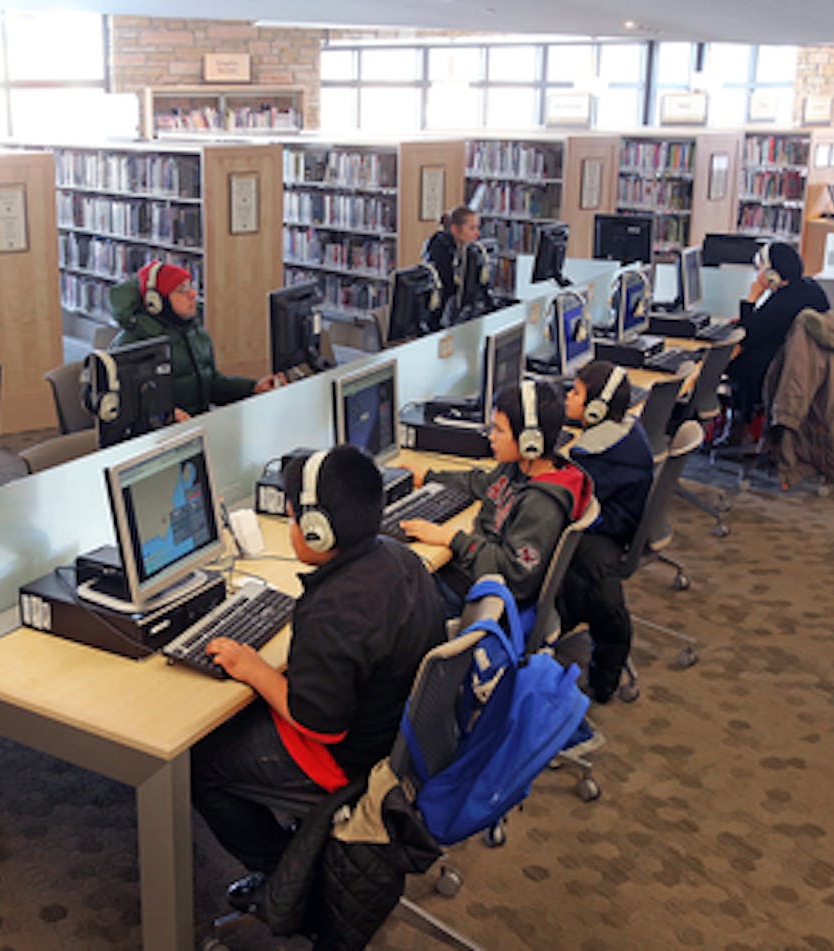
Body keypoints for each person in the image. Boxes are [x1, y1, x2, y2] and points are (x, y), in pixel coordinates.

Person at [190, 445, 445, 903]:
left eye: (291, 519)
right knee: (233, 718)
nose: (290, 529)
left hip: (350, 756)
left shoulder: (335, 609)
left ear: (318, 531)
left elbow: (318, 723)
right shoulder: (396, 556)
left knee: (200, 763)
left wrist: (254, 668)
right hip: (400, 736)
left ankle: (290, 877)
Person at [400, 380, 593, 617]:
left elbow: (514, 574)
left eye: (499, 430)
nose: (491, 437)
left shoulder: (542, 504)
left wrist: (452, 538)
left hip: (485, 599)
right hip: (472, 573)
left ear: (529, 441)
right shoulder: (518, 467)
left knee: (393, 591)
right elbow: (483, 483)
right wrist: (428, 476)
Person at [556, 361, 654, 703]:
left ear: (596, 409)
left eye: (576, 393)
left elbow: (568, 492)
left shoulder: (601, 461)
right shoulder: (623, 432)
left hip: (603, 537)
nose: (569, 397)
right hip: (617, 527)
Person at [107, 260, 285, 419]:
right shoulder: (131, 344)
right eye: (182, 290)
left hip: (198, 428)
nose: (192, 294)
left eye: (190, 286)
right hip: (161, 442)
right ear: (156, 302)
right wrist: (164, 417)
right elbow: (123, 409)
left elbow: (211, 385)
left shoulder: (194, 331)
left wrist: (253, 388)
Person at [726, 241, 829, 426]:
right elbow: (765, 325)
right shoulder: (810, 288)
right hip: (803, 366)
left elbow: (748, 335)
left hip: (774, 371)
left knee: (726, 363)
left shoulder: (783, 301)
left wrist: (751, 299)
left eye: (759, 269)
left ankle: (742, 420)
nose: (757, 275)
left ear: (772, 274)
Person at [421, 205, 483, 321]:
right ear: (455, 229)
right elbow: (449, 288)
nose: (477, 233)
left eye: (477, 228)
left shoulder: (465, 249)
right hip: (438, 315)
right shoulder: (439, 249)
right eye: (472, 228)